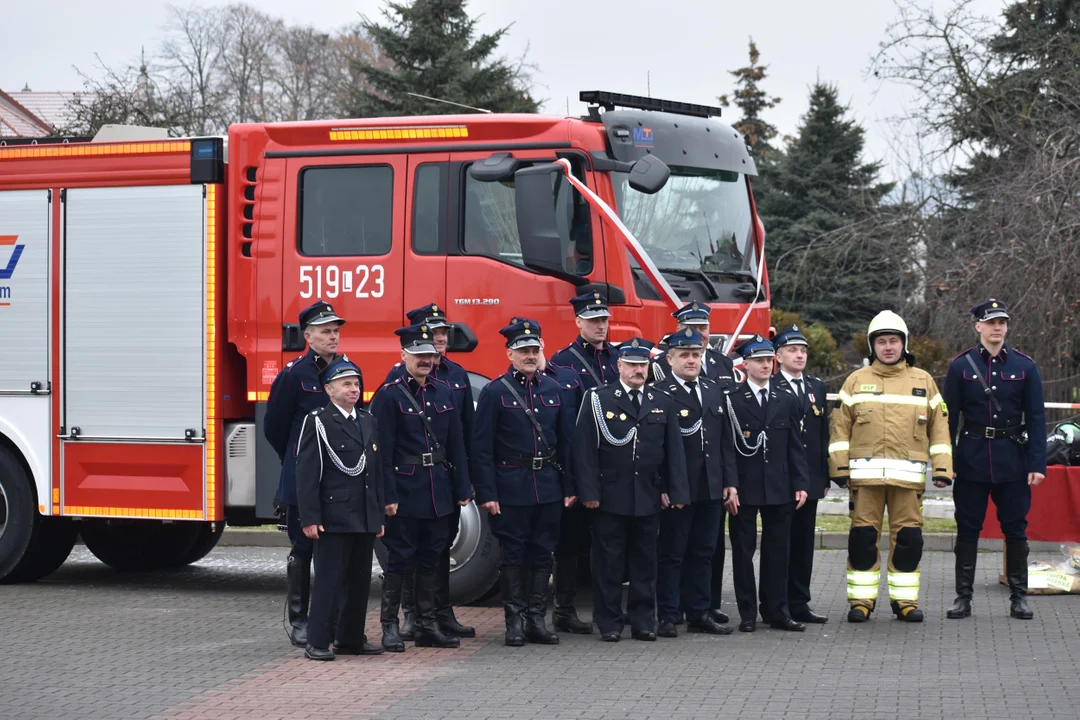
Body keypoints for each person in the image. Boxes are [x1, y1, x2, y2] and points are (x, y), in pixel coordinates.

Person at [829, 311, 953, 624]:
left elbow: (940, 428)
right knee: (862, 541)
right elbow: (839, 427)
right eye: (881, 341)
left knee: (909, 542)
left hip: (908, 482)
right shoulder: (856, 381)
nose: (888, 347)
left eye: (893, 341)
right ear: (873, 346)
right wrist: (839, 469)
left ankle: (905, 602)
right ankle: (861, 602)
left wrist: (942, 468)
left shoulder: (923, 381)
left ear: (903, 345)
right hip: (865, 480)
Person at [575, 338, 690, 642]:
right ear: (620, 366)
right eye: (633, 365)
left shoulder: (661, 400)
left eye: (643, 365)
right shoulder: (599, 399)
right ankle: (610, 622)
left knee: (645, 562)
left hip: (648, 495)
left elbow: (673, 452)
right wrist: (589, 491)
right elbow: (584, 449)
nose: (639, 370)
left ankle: (642, 621)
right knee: (609, 562)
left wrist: (674, 490)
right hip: (610, 495)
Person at [472, 318, 575, 647]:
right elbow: (482, 447)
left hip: (547, 485)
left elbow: (567, 444)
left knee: (543, 553)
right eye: (523, 350)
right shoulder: (495, 392)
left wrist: (570, 486)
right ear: (510, 354)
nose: (530, 355)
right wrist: (487, 492)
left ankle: (536, 620)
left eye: (535, 349)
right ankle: (514, 621)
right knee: (513, 555)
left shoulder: (554, 390)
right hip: (511, 486)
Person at [369, 324, 473, 651]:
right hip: (405, 489)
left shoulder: (443, 391)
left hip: (438, 489)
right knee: (400, 559)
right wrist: (387, 496)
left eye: (429, 355)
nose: (425, 361)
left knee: (432, 558)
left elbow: (457, 443)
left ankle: (427, 625)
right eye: (418, 356)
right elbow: (381, 452)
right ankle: (390, 625)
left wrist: (463, 486)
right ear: (403, 356)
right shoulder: (389, 395)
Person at [942, 299, 1046, 620]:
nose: (997, 328)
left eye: (1002, 322)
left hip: (1013, 458)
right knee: (968, 529)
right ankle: (963, 597)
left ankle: (1019, 596)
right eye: (991, 322)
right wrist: (948, 462)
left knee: (1015, 529)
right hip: (972, 458)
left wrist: (1037, 463)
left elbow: (1038, 418)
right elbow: (948, 419)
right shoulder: (961, 367)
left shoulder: (1024, 366)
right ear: (978, 326)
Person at [263, 301, 351, 647]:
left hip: (340, 476)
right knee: (303, 548)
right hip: (305, 477)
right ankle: (300, 620)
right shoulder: (294, 374)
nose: (333, 336)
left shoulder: (345, 369)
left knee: (339, 548)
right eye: (326, 331)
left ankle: (333, 618)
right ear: (308, 335)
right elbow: (276, 428)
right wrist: (300, 461)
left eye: (336, 330)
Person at [649, 301, 738, 626]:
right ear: (670, 358)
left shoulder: (714, 391)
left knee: (703, 551)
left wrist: (729, 482)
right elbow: (654, 447)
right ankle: (669, 615)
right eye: (684, 355)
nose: (691, 360)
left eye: (695, 355)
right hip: (678, 487)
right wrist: (662, 485)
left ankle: (699, 612)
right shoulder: (660, 392)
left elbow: (724, 441)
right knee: (672, 553)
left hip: (711, 485)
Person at [294, 360, 383, 661]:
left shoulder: (368, 420)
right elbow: (307, 473)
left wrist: (378, 515)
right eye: (346, 384)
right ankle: (317, 641)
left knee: (359, 581)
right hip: (334, 514)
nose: (353, 389)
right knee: (329, 580)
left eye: (356, 383)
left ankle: (349, 639)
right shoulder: (319, 421)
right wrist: (310, 517)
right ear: (329, 389)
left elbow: (375, 471)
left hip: (364, 514)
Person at [724, 335, 809, 633]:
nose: (764, 365)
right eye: (758, 360)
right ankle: (747, 613)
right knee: (743, 552)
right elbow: (727, 448)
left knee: (778, 551)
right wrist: (730, 484)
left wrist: (800, 482)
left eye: (768, 360)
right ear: (745, 364)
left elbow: (795, 445)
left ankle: (777, 610)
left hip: (779, 485)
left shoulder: (785, 398)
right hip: (745, 488)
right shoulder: (732, 399)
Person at [549, 292, 618, 632]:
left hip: (617, 465)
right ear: (578, 322)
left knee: (610, 540)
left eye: (604, 320)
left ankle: (611, 607)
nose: (601, 326)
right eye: (593, 321)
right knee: (571, 540)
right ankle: (564, 609)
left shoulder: (621, 358)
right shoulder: (563, 362)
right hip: (581, 462)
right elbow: (564, 424)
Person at [772, 324, 831, 624]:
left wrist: (823, 477)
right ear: (778, 356)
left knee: (804, 543)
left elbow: (822, 435)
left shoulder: (816, 387)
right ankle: (778, 604)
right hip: (783, 479)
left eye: (803, 351)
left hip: (810, 479)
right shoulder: (771, 386)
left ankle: (800, 602)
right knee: (781, 543)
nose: (799, 355)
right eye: (793, 350)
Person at [650, 301, 737, 387]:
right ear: (678, 330)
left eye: (703, 328)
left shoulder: (724, 362)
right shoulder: (658, 364)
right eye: (692, 329)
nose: (699, 335)